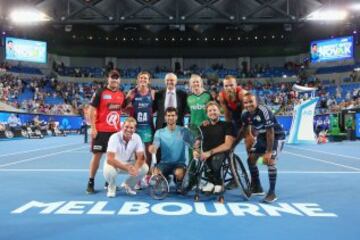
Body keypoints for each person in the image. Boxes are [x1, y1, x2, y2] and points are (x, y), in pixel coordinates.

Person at [235, 93, 285, 203]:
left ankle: (272, 193)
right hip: (262, 137)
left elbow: (270, 132)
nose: (248, 104)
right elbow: (243, 131)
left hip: (276, 136)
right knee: (251, 160)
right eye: (246, 102)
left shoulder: (264, 110)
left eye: (251, 101)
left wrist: (268, 152)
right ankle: (257, 187)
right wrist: (233, 145)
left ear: (257, 102)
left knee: (270, 161)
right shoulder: (245, 114)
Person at [86, 69, 125, 194]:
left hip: (115, 132)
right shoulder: (100, 92)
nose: (114, 79)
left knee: (113, 158)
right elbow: (91, 110)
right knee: (97, 156)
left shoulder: (121, 94)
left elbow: (124, 108)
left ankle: (109, 182)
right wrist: (93, 127)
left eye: (116, 77)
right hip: (101, 130)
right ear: (108, 79)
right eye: (112, 77)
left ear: (119, 80)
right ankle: (90, 182)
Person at [194, 101, 235, 194]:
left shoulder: (227, 125)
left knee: (215, 159)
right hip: (206, 153)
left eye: (214, 110)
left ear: (219, 112)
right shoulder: (203, 126)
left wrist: (210, 153)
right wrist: (196, 150)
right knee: (203, 158)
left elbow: (228, 145)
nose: (212, 112)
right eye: (210, 111)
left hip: (221, 153)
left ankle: (217, 182)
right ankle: (211, 182)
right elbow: (197, 143)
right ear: (207, 114)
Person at [103, 117, 148, 197]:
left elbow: (141, 157)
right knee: (110, 172)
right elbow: (110, 159)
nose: (128, 129)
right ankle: (112, 187)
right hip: (114, 164)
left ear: (134, 129)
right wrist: (126, 168)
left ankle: (128, 185)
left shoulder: (137, 137)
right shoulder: (114, 137)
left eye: (131, 128)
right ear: (122, 126)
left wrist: (136, 169)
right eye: (126, 127)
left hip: (128, 163)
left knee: (144, 168)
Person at [125, 71, 155, 188]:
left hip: (147, 127)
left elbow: (155, 107)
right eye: (141, 78)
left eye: (145, 78)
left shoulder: (152, 93)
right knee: (137, 155)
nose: (143, 80)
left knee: (148, 153)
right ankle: (137, 176)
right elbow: (124, 108)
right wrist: (129, 103)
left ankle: (147, 175)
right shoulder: (132, 93)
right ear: (138, 80)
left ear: (149, 81)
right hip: (136, 129)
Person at [148, 107, 187, 192]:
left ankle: (178, 182)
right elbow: (156, 144)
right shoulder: (159, 132)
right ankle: (166, 178)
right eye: (168, 115)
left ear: (176, 117)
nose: (170, 118)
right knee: (154, 172)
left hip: (179, 164)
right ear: (165, 117)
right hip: (164, 164)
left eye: (173, 115)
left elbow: (193, 144)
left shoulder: (183, 131)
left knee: (178, 173)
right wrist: (153, 148)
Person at [218, 75, 253, 153]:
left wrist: (249, 133)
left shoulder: (243, 94)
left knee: (248, 140)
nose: (229, 88)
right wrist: (228, 131)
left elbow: (247, 116)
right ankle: (231, 160)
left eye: (231, 85)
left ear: (236, 85)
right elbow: (227, 115)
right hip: (236, 118)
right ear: (223, 87)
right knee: (229, 144)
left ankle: (252, 162)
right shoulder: (222, 96)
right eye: (226, 86)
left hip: (250, 118)